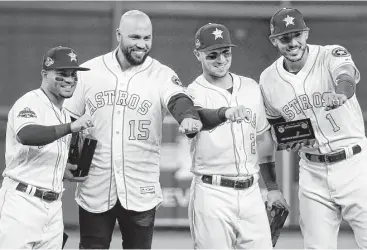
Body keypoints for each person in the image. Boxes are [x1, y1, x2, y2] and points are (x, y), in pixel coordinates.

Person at [63, 10, 203, 249]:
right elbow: (67, 117)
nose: (142, 44)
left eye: (147, 38)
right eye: (135, 37)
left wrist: (188, 116)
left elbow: (178, 98)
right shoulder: (90, 72)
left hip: (140, 185)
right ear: (119, 35)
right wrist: (65, 159)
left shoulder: (161, 74)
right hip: (96, 184)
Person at [260, 7, 367, 249]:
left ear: (306, 33)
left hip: (355, 164)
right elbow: (275, 126)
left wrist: (341, 93)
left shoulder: (331, 54)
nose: (293, 43)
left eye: (297, 35)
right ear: (274, 41)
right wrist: (286, 139)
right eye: (285, 38)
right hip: (312, 170)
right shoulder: (268, 79)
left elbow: (346, 76)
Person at [186, 23, 290, 249]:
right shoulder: (193, 92)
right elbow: (200, 118)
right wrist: (224, 113)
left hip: (251, 192)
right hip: (212, 193)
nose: (221, 59)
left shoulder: (250, 87)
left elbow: (263, 139)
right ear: (198, 55)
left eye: (226, 52)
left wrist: (272, 187)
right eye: (212, 55)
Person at [0, 46, 94, 249]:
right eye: (62, 74)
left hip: (53, 208)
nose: (70, 80)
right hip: (22, 204)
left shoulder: (62, 112)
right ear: (44, 74)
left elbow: (40, 153)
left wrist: (62, 170)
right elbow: (27, 135)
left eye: (73, 75)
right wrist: (70, 127)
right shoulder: (30, 102)